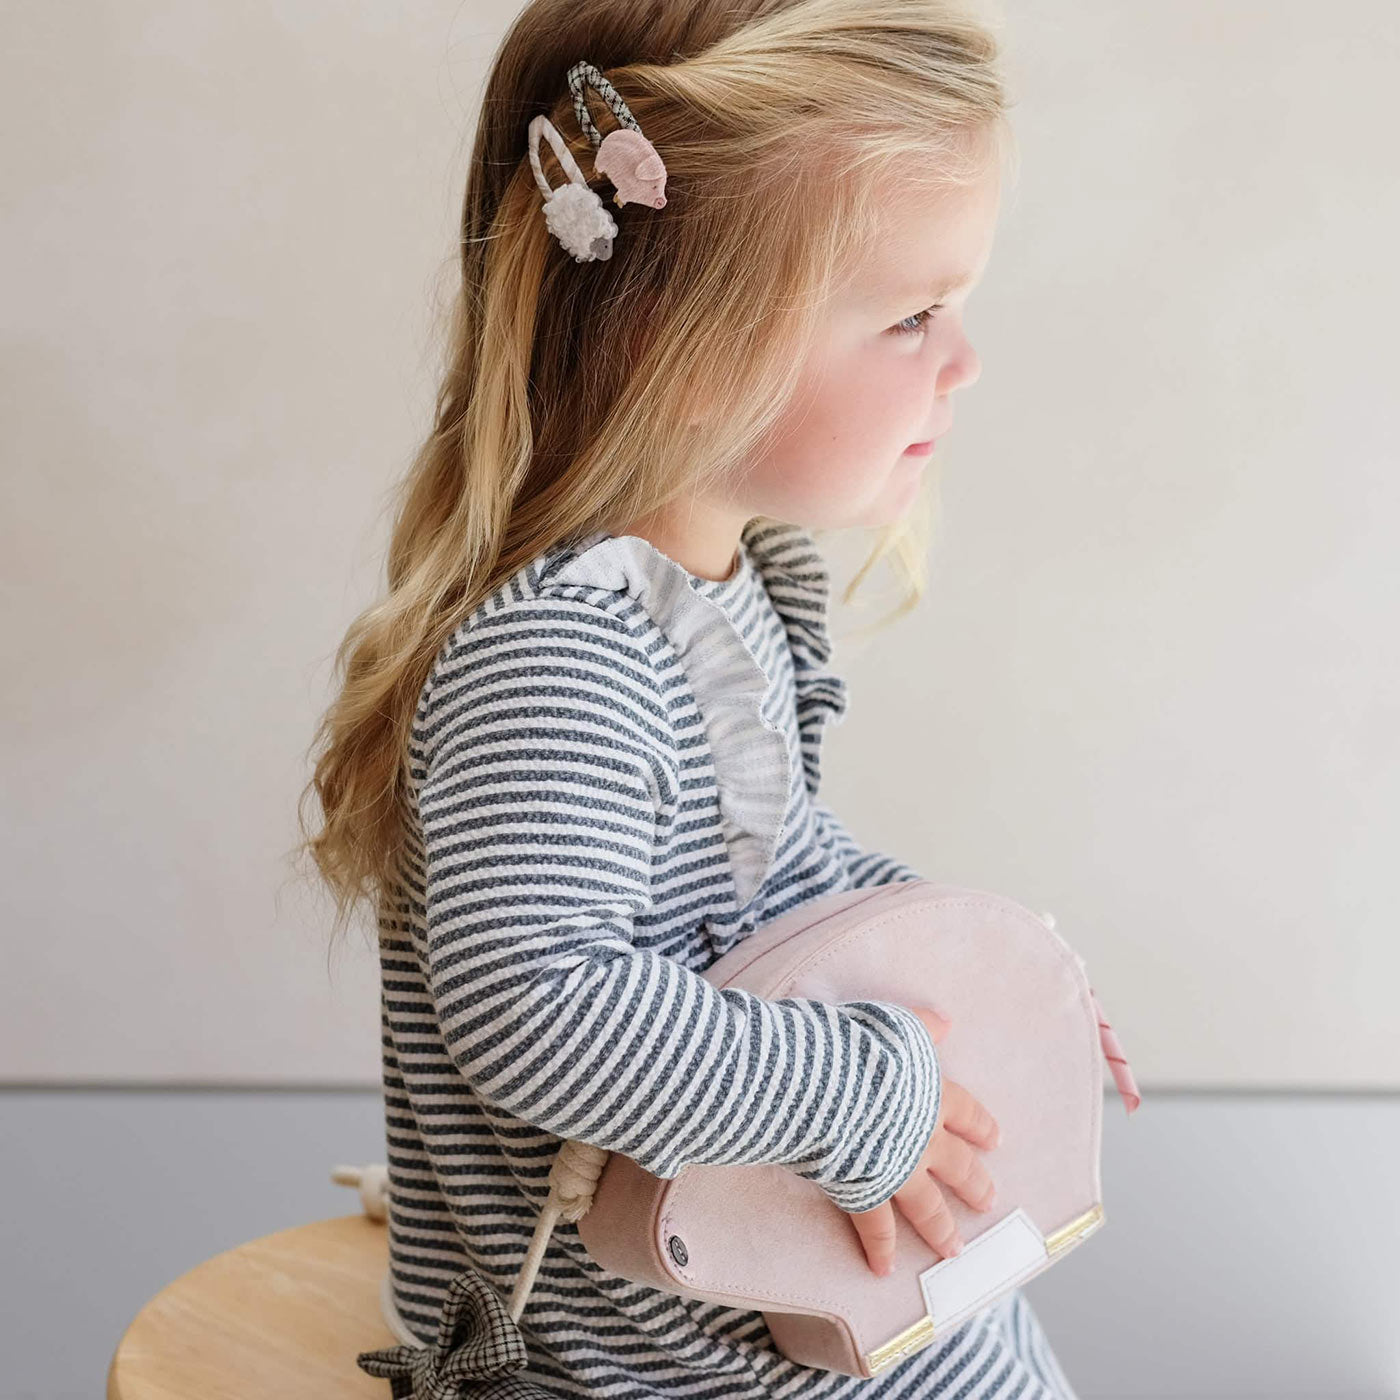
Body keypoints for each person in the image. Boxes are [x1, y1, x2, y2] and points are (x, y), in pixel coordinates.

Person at [300, 0, 1081, 1394]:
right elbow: (541, 1006)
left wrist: (1004, 980)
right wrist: (859, 1093)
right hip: (646, 1365)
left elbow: (772, 879)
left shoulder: (733, 585)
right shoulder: (561, 661)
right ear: (685, 337)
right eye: (912, 316)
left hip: (764, 1312)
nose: (965, 363)